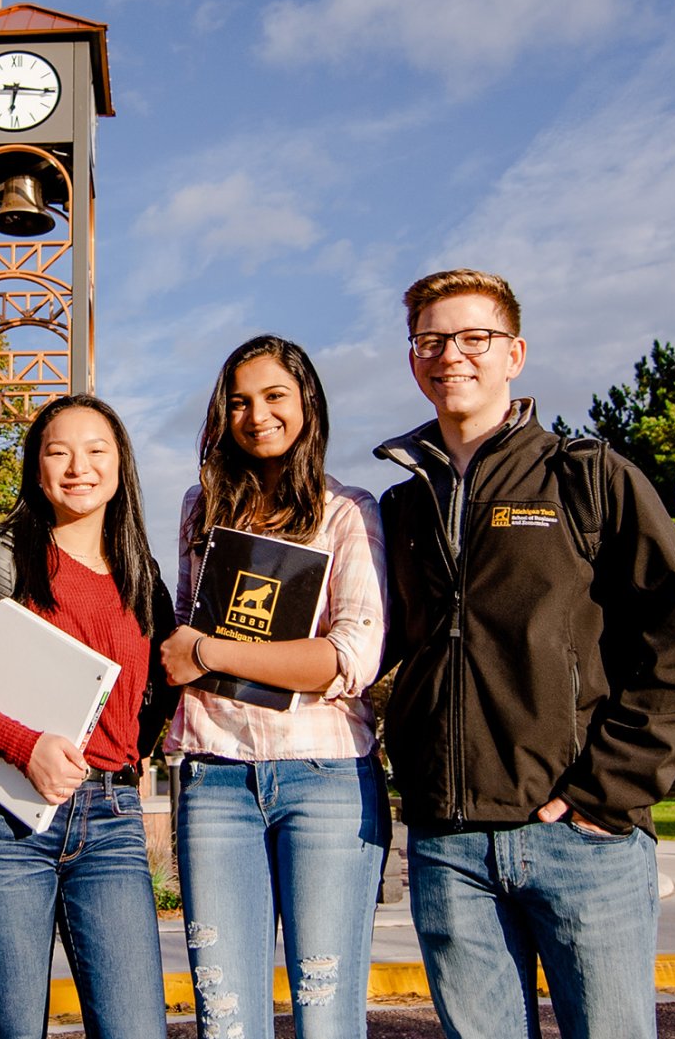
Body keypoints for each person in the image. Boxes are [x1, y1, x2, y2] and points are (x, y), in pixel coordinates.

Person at [374, 268, 675, 1039]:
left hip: (577, 838)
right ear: (413, 358)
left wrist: (607, 793)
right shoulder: (401, 505)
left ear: (515, 354)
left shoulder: (587, 477)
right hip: (449, 843)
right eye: (431, 339)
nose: (451, 355)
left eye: (474, 337)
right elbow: (364, 646)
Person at [0, 395, 179, 1039]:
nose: (77, 467)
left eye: (96, 451)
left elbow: (155, 694)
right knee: (15, 1028)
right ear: (36, 468)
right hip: (0, 815)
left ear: (121, 467)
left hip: (110, 818)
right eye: (58, 452)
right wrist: (22, 744)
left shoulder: (144, 577)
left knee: (137, 1026)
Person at [157, 334, 391, 1039]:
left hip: (324, 777)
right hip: (214, 777)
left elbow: (353, 655)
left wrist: (208, 649)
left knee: (325, 1014)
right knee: (224, 1018)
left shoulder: (347, 511)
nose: (257, 414)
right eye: (239, 401)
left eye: (274, 396)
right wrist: (180, 647)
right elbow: (182, 624)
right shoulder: (202, 510)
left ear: (307, 403)